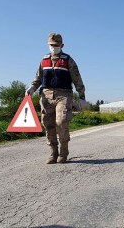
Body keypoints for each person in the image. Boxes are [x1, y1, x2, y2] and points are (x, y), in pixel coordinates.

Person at [25, 33, 87, 164]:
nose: (54, 47)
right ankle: (53, 153)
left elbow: (77, 77)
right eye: (51, 45)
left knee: (61, 121)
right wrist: (31, 88)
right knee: (48, 124)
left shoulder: (67, 60)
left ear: (62, 45)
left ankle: (64, 152)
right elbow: (38, 78)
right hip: (46, 95)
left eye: (56, 45)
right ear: (48, 45)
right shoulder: (44, 60)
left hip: (64, 95)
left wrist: (81, 95)